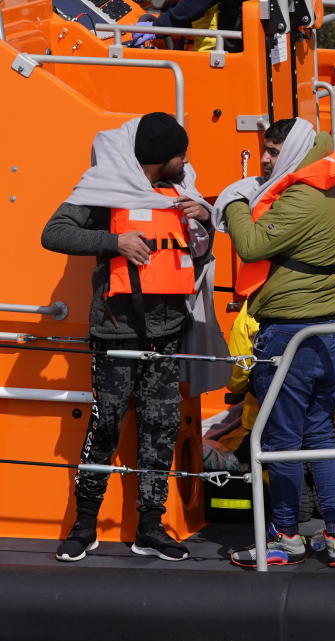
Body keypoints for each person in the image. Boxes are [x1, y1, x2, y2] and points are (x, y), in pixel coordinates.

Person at [41, 112, 213, 562]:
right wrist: (113, 242)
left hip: (166, 332)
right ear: (161, 158)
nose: (186, 160)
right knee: (105, 427)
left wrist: (204, 221)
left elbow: (196, 252)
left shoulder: (181, 190)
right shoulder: (105, 187)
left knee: (160, 430)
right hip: (115, 331)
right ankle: (84, 526)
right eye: (180, 153)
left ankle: (150, 528)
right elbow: (54, 232)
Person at [219, 117, 335, 567]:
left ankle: (286, 536)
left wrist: (235, 202)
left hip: (289, 334)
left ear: (295, 150)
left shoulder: (302, 196)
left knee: (280, 440)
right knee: (321, 434)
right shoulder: (330, 190)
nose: (264, 158)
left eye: (272, 151)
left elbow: (251, 244)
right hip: (328, 332)